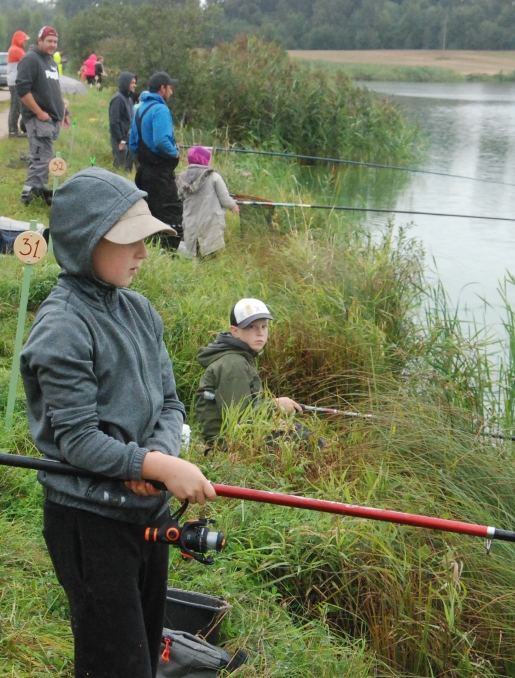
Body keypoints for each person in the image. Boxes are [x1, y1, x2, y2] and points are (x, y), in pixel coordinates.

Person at [20, 167, 216, 678]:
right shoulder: (62, 325)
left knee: (144, 653)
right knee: (114, 663)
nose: (143, 254)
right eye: (129, 241)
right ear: (86, 242)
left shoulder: (141, 310)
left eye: (145, 240)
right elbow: (79, 441)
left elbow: (170, 403)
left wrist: (157, 460)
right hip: (90, 521)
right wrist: (145, 461)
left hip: (146, 512)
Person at [194, 298, 303, 445]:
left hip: (240, 435)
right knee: (309, 441)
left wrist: (272, 419)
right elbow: (237, 417)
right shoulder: (233, 364)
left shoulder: (240, 357)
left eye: (264, 326)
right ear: (235, 331)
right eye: (251, 327)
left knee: (299, 431)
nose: (260, 333)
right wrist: (275, 405)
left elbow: (247, 407)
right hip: (228, 444)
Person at [129, 72, 183, 249]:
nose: (172, 92)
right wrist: (174, 152)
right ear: (163, 88)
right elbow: (161, 141)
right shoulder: (161, 109)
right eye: (170, 88)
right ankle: (169, 254)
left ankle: (148, 250)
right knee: (171, 212)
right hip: (160, 174)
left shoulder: (140, 108)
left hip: (143, 172)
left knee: (148, 212)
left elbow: (133, 144)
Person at [17, 26, 64, 206]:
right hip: (38, 120)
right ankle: (28, 198)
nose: (52, 45)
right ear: (40, 41)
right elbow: (22, 89)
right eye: (49, 41)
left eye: (55, 42)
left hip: (51, 120)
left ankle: (37, 193)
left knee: (45, 158)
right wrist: (39, 113)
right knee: (41, 159)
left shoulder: (50, 61)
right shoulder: (31, 59)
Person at [176, 146, 239, 258]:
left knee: (194, 252)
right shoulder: (213, 176)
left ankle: (196, 268)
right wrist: (232, 204)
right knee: (211, 252)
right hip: (210, 221)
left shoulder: (182, 177)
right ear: (205, 160)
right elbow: (224, 199)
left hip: (191, 221)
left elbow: (180, 196)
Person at [109, 71, 137, 172]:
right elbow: (114, 121)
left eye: (135, 83)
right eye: (132, 83)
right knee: (119, 170)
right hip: (120, 141)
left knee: (127, 170)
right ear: (125, 83)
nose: (135, 85)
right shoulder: (118, 99)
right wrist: (120, 140)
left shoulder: (129, 99)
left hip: (128, 140)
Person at [6, 30, 28, 138]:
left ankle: (14, 130)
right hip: (15, 82)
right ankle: (13, 131)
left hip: (15, 81)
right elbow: (28, 61)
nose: (25, 42)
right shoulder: (16, 50)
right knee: (16, 106)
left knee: (16, 105)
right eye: (24, 40)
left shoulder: (16, 49)